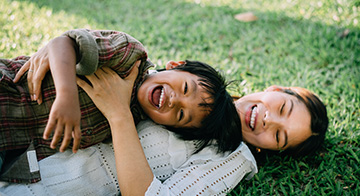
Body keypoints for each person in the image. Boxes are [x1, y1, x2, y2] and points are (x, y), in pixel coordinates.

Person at [0, 80, 328, 195]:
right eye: (282, 107)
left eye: (279, 136)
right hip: (25, 131)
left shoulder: (232, 157)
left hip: (43, 183)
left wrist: (119, 116)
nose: (267, 121)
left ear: (268, 148)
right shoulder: (208, 89)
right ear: (272, 90)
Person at [0, 29, 241, 183]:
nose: (174, 100)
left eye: (180, 114)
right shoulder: (128, 55)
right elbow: (63, 43)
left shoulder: (131, 123)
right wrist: (67, 95)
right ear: (176, 64)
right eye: (186, 88)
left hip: (10, 148)